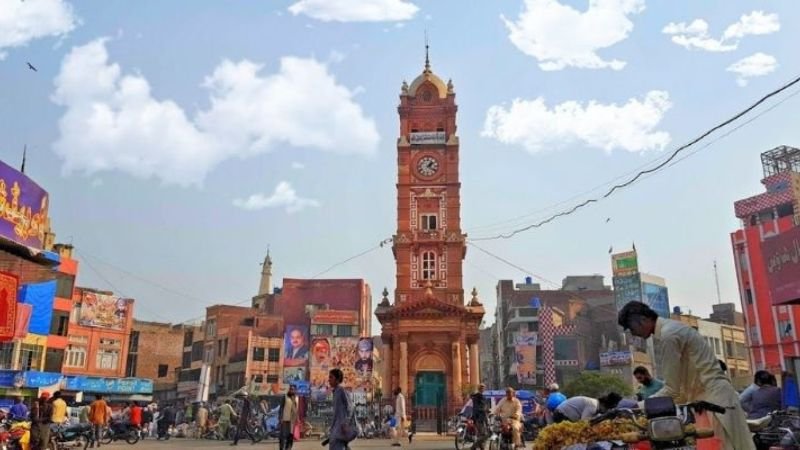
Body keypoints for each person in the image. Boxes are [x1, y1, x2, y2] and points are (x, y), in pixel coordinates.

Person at [618, 301, 754, 450]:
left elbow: (672, 391)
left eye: (631, 328)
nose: (633, 333)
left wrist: (635, 407)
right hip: (711, 400)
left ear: (643, 319)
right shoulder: (672, 329)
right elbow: (681, 392)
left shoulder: (669, 336)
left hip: (714, 402)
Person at [328, 368, 354, 450]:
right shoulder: (335, 392)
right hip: (336, 428)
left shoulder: (341, 390)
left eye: (331, 377)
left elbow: (350, 407)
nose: (329, 380)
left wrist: (345, 423)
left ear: (337, 379)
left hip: (341, 428)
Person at [552, 393, 622, 423]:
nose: (606, 411)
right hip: (561, 415)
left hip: (564, 414)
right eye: (607, 409)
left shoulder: (595, 406)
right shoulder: (593, 406)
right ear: (604, 405)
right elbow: (584, 423)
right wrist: (604, 416)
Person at [278, 385, 299, 450]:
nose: (291, 390)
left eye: (293, 389)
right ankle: (281, 448)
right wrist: (280, 417)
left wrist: (297, 418)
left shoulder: (297, 398)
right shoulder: (285, 397)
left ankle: (288, 448)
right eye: (290, 389)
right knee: (283, 435)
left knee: (290, 435)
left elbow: (296, 409)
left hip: (292, 420)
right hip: (284, 419)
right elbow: (281, 408)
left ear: (295, 390)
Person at [470, 383, 490, 450]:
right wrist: (486, 410)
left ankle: (481, 447)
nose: (482, 389)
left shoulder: (475, 396)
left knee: (480, 434)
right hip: (480, 417)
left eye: (483, 387)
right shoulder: (480, 396)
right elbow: (481, 407)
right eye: (481, 387)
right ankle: (474, 447)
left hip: (476, 416)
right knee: (484, 434)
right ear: (479, 388)